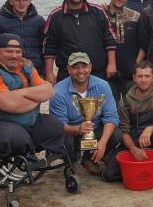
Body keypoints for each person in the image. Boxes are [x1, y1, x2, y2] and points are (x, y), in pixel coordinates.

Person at [0, 33, 63, 168]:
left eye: (18, 51)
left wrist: (20, 93)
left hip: (25, 120)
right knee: (18, 137)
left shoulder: (25, 65)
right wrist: (36, 98)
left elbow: (48, 90)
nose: (14, 55)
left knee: (55, 126)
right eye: (9, 51)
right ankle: (23, 155)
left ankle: (30, 154)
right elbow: (9, 105)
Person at [49, 52, 122, 181]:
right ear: (68, 69)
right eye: (75, 67)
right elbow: (59, 124)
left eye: (84, 66)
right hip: (72, 131)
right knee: (64, 139)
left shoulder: (103, 86)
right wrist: (77, 129)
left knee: (117, 134)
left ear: (90, 67)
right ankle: (70, 161)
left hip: (96, 130)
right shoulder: (58, 90)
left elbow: (111, 117)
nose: (80, 71)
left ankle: (89, 158)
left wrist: (103, 142)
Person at [43, 0, 117, 83]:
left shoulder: (98, 12)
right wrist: (49, 73)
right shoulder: (55, 16)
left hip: (97, 72)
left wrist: (112, 64)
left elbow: (109, 39)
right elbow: (49, 46)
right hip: (66, 73)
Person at [0, 0, 46, 75]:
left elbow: (45, 49)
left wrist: (46, 71)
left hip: (35, 70)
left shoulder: (39, 21)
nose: (21, 2)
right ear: (11, 1)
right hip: (7, 71)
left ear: (29, 1)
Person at [102, 0, 147, 102]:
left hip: (130, 71)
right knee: (110, 106)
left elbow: (143, 44)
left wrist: (136, 65)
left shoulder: (136, 16)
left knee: (132, 106)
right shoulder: (101, 14)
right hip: (107, 72)